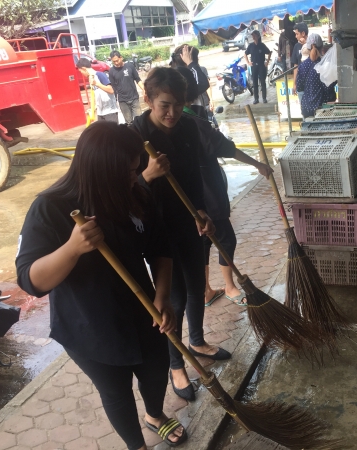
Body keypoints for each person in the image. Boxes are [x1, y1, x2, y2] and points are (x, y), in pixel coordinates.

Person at [15, 121, 187, 448]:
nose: (135, 177)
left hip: (144, 313)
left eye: (135, 169)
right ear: (103, 171)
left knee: (156, 371)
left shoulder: (134, 194)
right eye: (128, 172)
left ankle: (154, 415)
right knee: (116, 391)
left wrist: (163, 295)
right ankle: (136, 445)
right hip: (90, 327)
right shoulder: (50, 207)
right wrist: (72, 248)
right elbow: (31, 280)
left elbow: (160, 248)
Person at [133, 68, 230, 403]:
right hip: (157, 232)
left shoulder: (188, 127)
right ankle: (176, 364)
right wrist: (147, 175)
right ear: (148, 99)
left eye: (178, 104)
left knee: (196, 285)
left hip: (188, 221)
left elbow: (192, 177)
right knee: (174, 299)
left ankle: (197, 341)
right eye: (165, 105)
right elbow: (121, 194)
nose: (172, 112)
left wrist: (201, 210)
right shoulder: (135, 135)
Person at [172, 67, 273, 306]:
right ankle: (229, 286)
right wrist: (258, 164)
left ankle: (205, 290)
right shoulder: (194, 123)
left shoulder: (179, 121)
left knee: (203, 241)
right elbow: (227, 148)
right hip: (207, 193)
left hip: (188, 197)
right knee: (225, 238)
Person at [296, 34, 330, 118]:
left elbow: (299, 87)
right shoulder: (324, 65)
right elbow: (328, 88)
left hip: (306, 108)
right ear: (321, 47)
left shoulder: (302, 66)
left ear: (307, 48)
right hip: (323, 109)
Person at [76, 58, 119, 122]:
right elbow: (98, 95)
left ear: (84, 69)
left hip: (110, 112)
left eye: (81, 71)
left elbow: (111, 90)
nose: (82, 74)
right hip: (101, 113)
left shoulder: (99, 75)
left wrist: (96, 84)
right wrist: (93, 108)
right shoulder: (91, 78)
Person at [108, 51, 145, 125]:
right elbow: (113, 87)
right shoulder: (111, 71)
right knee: (129, 123)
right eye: (114, 62)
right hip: (122, 101)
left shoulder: (130, 66)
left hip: (134, 98)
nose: (116, 63)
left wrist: (144, 89)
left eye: (117, 60)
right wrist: (115, 101)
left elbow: (137, 79)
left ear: (121, 58)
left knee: (139, 121)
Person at [244, 30, 272, 104]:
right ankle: (256, 99)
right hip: (254, 66)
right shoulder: (251, 46)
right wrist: (248, 62)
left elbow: (269, 52)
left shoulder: (262, 45)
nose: (253, 37)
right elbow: (245, 54)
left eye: (254, 35)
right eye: (252, 35)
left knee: (263, 82)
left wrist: (267, 62)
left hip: (261, 66)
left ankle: (264, 98)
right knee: (255, 83)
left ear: (258, 36)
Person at [291, 22, 309, 101]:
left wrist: (306, 44)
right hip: (301, 82)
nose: (296, 36)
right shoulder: (296, 46)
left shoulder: (312, 44)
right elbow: (295, 66)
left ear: (303, 33)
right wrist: (294, 83)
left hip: (311, 82)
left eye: (297, 34)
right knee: (303, 106)